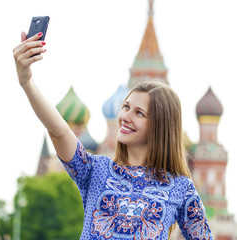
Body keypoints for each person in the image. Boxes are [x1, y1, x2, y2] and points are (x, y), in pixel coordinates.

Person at [13, 32, 213, 240]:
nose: (125, 116)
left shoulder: (180, 187)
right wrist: (27, 82)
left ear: (159, 126)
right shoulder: (96, 170)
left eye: (139, 113)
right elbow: (59, 131)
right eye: (126, 107)